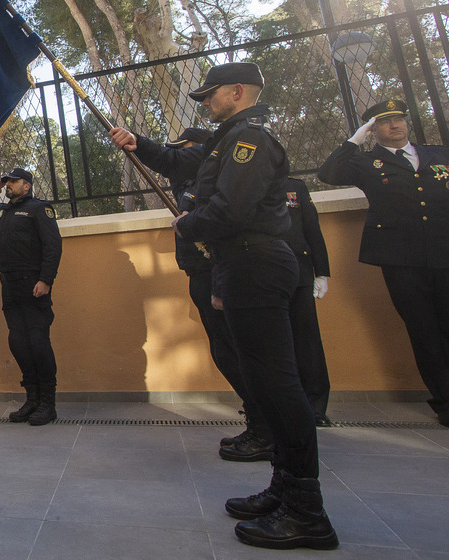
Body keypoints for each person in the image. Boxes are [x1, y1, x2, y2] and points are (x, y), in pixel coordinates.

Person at [114, 62, 337, 550]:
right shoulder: (229, 137)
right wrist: (139, 144)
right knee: (263, 380)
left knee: (277, 384)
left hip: (255, 260)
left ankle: (305, 510)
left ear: (237, 92)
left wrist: (186, 225)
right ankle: (284, 488)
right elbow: (186, 165)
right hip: (241, 262)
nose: (206, 103)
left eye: (211, 94)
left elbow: (231, 209)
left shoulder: (250, 140)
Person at [106, 124, 276, 460]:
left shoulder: (218, 181)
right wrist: (137, 143)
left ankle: (267, 428)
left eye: (187, 151)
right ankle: (259, 422)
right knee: (225, 349)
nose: (181, 157)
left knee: (240, 351)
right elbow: (167, 161)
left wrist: (217, 285)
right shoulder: (191, 183)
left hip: (218, 271)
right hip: (200, 270)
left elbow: (219, 234)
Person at [318, 98, 449, 428]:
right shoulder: (366, 162)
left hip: (445, 251)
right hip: (401, 258)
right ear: (373, 129)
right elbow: (328, 173)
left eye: (399, 118)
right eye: (386, 121)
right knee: (424, 330)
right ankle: (446, 401)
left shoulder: (438, 154)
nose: (396, 125)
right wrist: (354, 140)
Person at [0, 167, 62, 425]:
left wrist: (46, 280)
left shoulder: (40, 209)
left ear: (27, 185)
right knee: (18, 343)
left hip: (33, 284)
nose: (8, 184)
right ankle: (32, 399)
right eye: (6, 181)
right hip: (9, 286)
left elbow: (53, 245)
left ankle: (48, 404)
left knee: (38, 342)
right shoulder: (0, 212)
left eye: (13, 181)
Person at [282, 177, 333, 426]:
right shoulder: (244, 183)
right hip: (263, 273)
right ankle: (286, 404)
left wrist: (321, 271)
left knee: (307, 340)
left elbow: (311, 227)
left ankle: (315, 406)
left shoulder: (295, 187)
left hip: (299, 271)